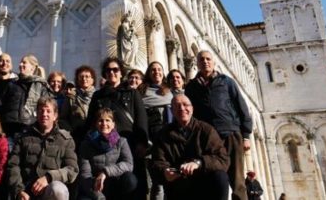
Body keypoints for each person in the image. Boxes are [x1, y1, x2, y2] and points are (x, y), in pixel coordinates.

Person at [185, 51, 253, 200]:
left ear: (213, 62)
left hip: (230, 134)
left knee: (238, 181)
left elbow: (242, 108)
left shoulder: (227, 81)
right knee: (213, 177)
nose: (205, 62)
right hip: (208, 139)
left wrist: (246, 135)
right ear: (197, 64)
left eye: (208, 59)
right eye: (201, 59)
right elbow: (190, 114)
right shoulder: (191, 87)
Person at [87, 57, 148, 197]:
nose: (112, 72)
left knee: (132, 183)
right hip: (105, 148)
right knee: (109, 184)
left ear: (121, 72)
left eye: (115, 69)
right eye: (108, 70)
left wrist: (141, 143)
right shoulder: (98, 96)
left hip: (130, 144)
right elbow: (91, 121)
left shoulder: (132, 93)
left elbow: (141, 119)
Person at [151, 94, 230, 200]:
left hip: (205, 183)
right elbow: (157, 163)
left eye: (185, 105)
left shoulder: (206, 129)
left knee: (220, 177)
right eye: (177, 106)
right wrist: (165, 172)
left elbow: (222, 159)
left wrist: (199, 163)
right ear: (172, 111)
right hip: (179, 187)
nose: (182, 108)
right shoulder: (162, 135)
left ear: (192, 109)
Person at [7, 96, 78, 200]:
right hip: (26, 191)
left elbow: (72, 170)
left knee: (58, 190)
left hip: (50, 191)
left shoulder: (65, 140)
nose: (44, 114)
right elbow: (13, 165)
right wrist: (19, 190)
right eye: (41, 111)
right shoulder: (24, 137)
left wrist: (49, 178)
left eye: (48, 111)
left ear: (55, 116)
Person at [78, 108, 137, 199]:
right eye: (100, 121)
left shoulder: (121, 142)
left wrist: (105, 172)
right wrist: (99, 196)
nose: (104, 124)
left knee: (130, 179)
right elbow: (85, 175)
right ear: (96, 124)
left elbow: (129, 164)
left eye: (107, 120)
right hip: (94, 187)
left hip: (116, 185)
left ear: (113, 124)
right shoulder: (86, 144)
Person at [140, 61, 174, 200]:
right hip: (151, 138)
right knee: (156, 181)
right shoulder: (143, 91)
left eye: (159, 69)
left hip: (169, 138)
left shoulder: (169, 91)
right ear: (149, 73)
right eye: (153, 70)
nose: (156, 72)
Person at [0, 54, 50, 141]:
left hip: (30, 128)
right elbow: (1, 104)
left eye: (24, 63)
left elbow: (45, 107)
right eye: (20, 63)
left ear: (32, 68)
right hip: (9, 129)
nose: (20, 65)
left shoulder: (41, 86)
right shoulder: (12, 83)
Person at [59, 65, 97, 145]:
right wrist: (70, 131)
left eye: (87, 76)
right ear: (77, 79)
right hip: (76, 137)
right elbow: (63, 118)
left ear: (92, 80)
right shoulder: (71, 97)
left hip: (94, 136)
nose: (84, 79)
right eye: (81, 76)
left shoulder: (98, 96)